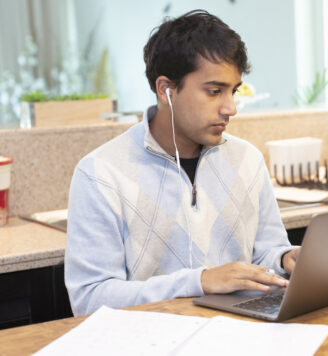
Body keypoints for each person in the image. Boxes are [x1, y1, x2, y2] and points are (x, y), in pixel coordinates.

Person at [65, 10, 300, 316]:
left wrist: (284, 259)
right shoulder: (99, 173)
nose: (230, 108)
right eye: (214, 91)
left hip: (240, 336)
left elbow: (265, 254)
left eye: (233, 91)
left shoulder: (248, 160)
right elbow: (89, 298)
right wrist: (199, 281)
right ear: (166, 90)